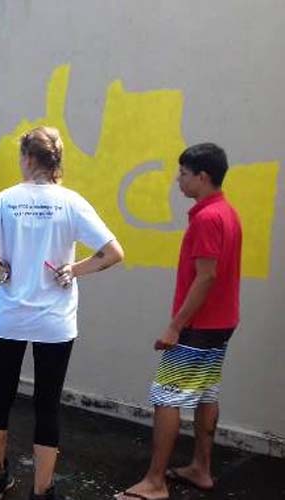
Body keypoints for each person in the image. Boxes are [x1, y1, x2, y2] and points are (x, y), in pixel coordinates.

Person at [0, 126, 124, 500]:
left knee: (2, 392)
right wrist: (73, 269)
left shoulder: (6, 201)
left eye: (20, 156)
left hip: (9, 315)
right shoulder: (71, 203)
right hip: (54, 321)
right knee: (48, 403)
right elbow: (114, 252)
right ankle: (42, 491)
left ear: (29, 159)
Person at [116, 143, 242, 500]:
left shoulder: (207, 218)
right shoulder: (227, 212)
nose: (178, 180)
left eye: (184, 174)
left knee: (166, 397)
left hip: (199, 327)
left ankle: (156, 482)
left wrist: (175, 325)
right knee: (206, 392)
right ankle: (201, 468)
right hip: (222, 322)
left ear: (202, 177)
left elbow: (206, 276)